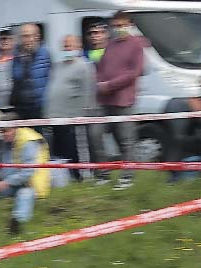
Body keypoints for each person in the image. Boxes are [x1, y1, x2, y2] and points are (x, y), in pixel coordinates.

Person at [95, 11, 145, 190]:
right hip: (103, 100)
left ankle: (127, 178)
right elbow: (101, 68)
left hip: (123, 100)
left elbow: (134, 73)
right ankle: (102, 174)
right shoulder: (110, 45)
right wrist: (99, 82)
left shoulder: (136, 45)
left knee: (126, 139)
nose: (118, 29)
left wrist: (110, 85)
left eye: (121, 25)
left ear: (129, 25)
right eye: (115, 25)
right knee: (95, 134)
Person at [46, 36, 97, 181]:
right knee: (62, 150)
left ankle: (85, 177)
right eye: (65, 46)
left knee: (78, 149)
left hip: (75, 117)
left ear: (78, 47)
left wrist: (84, 114)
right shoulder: (58, 65)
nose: (67, 49)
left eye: (69, 46)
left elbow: (88, 91)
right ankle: (68, 178)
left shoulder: (84, 66)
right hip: (56, 117)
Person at [11, 23, 52, 121]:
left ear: (37, 37)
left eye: (28, 36)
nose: (25, 40)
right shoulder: (17, 56)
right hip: (21, 107)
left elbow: (51, 79)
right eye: (23, 36)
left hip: (40, 107)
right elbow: (15, 76)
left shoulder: (45, 55)